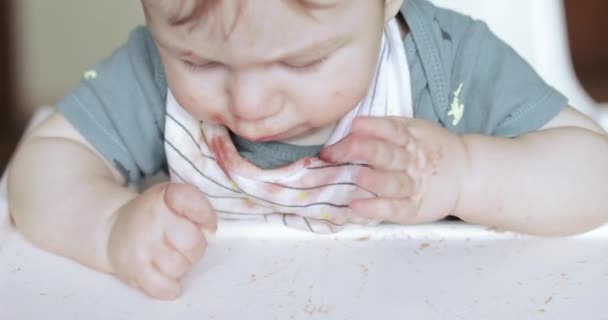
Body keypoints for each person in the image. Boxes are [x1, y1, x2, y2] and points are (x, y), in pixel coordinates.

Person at [8, 0, 608, 300]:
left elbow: (592, 172)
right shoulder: (147, 78)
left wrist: (464, 175)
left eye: (303, 62)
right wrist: (108, 228)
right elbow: (40, 168)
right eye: (200, 61)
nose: (251, 103)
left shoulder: (443, 67)